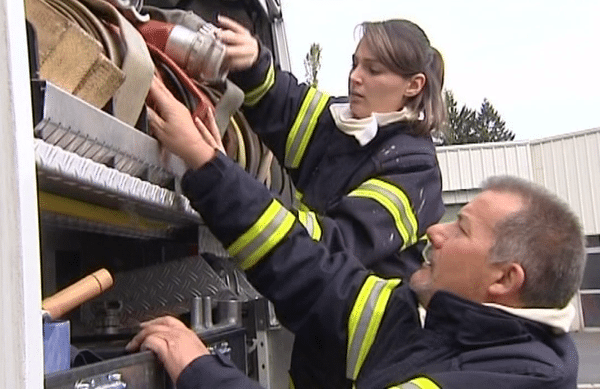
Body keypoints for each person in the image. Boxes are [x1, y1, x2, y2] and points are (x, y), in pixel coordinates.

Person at [126, 75, 587, 389]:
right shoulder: (446, 324)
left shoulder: (502, 378)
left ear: (505, 280)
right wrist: (210, 167)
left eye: (461, 229)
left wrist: (200, 371)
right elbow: (319, 277)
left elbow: (337, 246)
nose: (435, 232)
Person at [213, 15, 447, 278]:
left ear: (414, 85)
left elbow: (336, 244)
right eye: (355, 64)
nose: (355, 77)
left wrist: (228, 191)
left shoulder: (414, 169)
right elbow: (282, 105)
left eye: (373, 70)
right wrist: (253, 61)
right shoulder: (340, 120)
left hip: (357, 317)